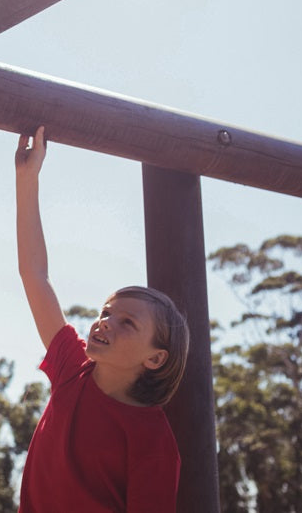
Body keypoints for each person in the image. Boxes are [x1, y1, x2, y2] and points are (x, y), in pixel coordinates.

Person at [13, 125, 189, 513]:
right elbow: (34, 275)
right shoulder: (72, 367)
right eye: (106, 312)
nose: (105, 322)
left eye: (128, 322)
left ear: (155, 357)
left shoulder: (153, 442)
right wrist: (27, 180)